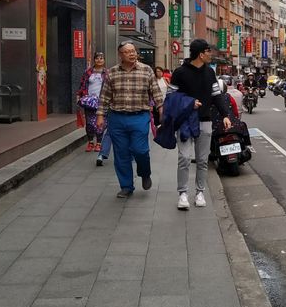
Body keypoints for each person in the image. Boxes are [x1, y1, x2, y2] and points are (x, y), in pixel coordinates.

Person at [96, 42, 164, 198]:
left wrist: (161, 110)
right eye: (127, 52)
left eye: (133, 51)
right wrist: (100, 115)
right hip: (117, 118)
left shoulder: (146, 70)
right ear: (120, 55)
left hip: (139, 116)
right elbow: (104, 96)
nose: (132, 54)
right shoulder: (112, 72)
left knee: (141, 150)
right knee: (121, 154)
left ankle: (144, 173)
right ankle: (126, 186)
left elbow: (156, 93)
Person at [170, 39, 232, 210]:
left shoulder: (210, 73)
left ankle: (199, 192)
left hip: (205, 120)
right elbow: (171, 97)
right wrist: (190, 103)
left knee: (203, 160)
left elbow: (216, 95)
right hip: (184, 122)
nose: (210, 54)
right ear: (200, 54)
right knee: (183, 158)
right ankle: (182, 193)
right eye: (208, 51)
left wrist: (225, 115)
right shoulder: (180, 73)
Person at [77, 52, 108, 156]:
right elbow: (82, 85)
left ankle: (99, 143)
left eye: (101, 58)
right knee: (90, 123)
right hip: (89, 101)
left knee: (100, 123)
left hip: (102, 101)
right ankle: (90, 142)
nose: (99, 60)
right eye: (97, 58)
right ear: (94, 60)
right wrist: (79, 96)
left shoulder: (107, 73)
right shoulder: (88, 72)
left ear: (104, 60)